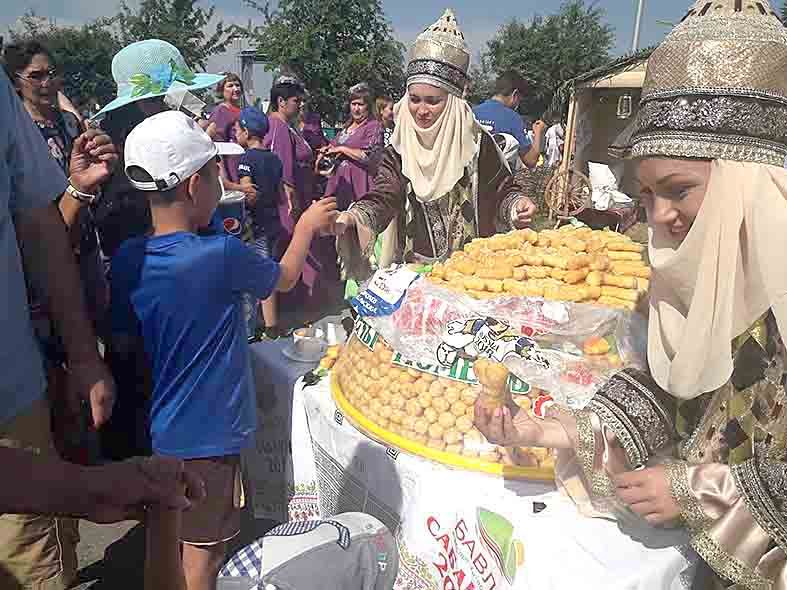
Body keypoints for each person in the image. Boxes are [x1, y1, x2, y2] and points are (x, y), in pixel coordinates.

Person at [474, 2, 787, 588]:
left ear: (752, 179)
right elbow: (663, 389)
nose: (659, 218)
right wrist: (552, 431)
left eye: (679, 191)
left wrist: (705, 495)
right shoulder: (681, 274)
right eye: (645, 195)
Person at [111, 111, 337, 590]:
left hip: (162, 430)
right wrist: (306, 227)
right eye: (218, 174)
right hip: (209, 437)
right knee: (204, 557)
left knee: (166, 540)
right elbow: (283, 278)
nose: (226, 183)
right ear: (195, 185)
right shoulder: (218, 255)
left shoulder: (132, 257)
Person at [90, 39, 227, 462]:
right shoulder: (124, 169)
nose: (189, 106)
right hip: (161, 336)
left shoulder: (137, 155)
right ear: (155, 103)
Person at [335, 9, 537, 280]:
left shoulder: (476, 144)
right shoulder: (399, 147)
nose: (421, 110)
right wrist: (355, 217)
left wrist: (517, 204)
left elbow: (501, 190)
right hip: (416, 272)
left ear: (453, 101)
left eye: (433, 101)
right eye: (415, 99)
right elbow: (385, 195)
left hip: (475, 274)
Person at [3, 40, 108, 464]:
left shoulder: (67, 124)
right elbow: (42, 224)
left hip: (82, 256)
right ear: (17, 82)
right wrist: (78, 190)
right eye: (36, 76)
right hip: (37, 279)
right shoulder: (24, 129)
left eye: (52, 73)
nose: (47, 83)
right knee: (55, 375)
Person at [236, 107, 285, 339]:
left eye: (237, 129)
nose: (236, 133)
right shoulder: (274, 159)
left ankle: (249, 328)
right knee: (269, 274)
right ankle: (272, 326)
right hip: (273, 221)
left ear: (246, 132)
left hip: (254, 227)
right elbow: (281, 194)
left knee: (251, 276)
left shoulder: (246, 158)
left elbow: (249, 193)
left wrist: (228, 186)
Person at [319, 83, 384, 210]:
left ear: (368, 107)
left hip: (360, 187)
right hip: (339, 186)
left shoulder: (374, 126)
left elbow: (370, 157)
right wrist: (326, 151)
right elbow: (333, 147)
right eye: (353, 104)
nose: (356, 109)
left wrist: (342, 149)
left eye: (360, 104)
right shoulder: (346, 128)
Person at [473, 70, 545, 169]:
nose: (518, 104)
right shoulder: (513, 119)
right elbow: (531, 160)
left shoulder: (472, 112)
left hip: (470, 178)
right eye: (519, 100)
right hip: (498, 181)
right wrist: (538, 133)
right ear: (514, 95)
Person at [204, 73, 252, 200]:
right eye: (230, 86)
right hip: (230, 163)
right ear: (222, 90)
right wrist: (224, 179)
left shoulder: (243, 111)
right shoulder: (220, 111)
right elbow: (217, 146)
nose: (235, 89)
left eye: (237, 85)